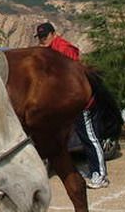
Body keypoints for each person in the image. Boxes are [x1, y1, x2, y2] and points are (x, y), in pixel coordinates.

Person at [35, 22, 109, 189]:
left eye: (45, 37)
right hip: (68, 102)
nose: (42, 40)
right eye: (40, 38)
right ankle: (93, 171)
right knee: (83, 137)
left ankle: (100, 174)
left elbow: (72, 75)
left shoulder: (64, 48)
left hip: (82, 101)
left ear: (53, 34)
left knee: (90, 137)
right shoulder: (48, 50)